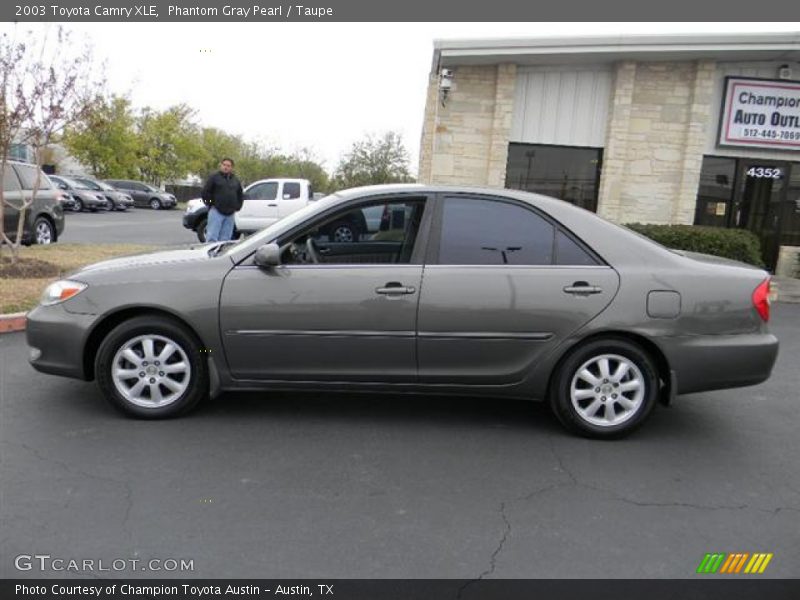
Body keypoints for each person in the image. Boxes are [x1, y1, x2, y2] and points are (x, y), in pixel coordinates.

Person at [201, 158, 244, 242]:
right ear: (221, 165)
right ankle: (211, 251)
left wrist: (237, 206)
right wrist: (210, 204)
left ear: (231, 168)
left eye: (228, 166)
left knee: (225, 239)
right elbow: (205, 193)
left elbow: (240, 194)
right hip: (216, 212)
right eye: (224, 165)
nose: (226, 167)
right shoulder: (214, 177)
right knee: (212, 237)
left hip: (230, 214)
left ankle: (222, 251)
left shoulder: (235, 180)